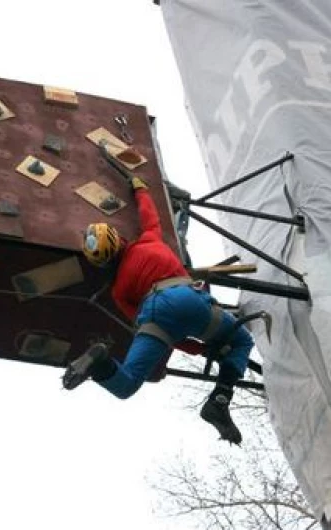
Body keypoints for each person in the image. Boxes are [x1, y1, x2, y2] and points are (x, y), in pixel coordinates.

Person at [62, 175, 255, 445]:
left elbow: (157, 332)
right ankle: (219, 399)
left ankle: (100, 363)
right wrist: (139, 186)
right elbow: (148, 212)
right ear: (119, 240)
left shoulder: (119, 291)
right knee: (242, 339)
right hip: (187, 298)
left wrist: (198, 349)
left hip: (154, 314)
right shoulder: (149, 241)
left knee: (126, 386)